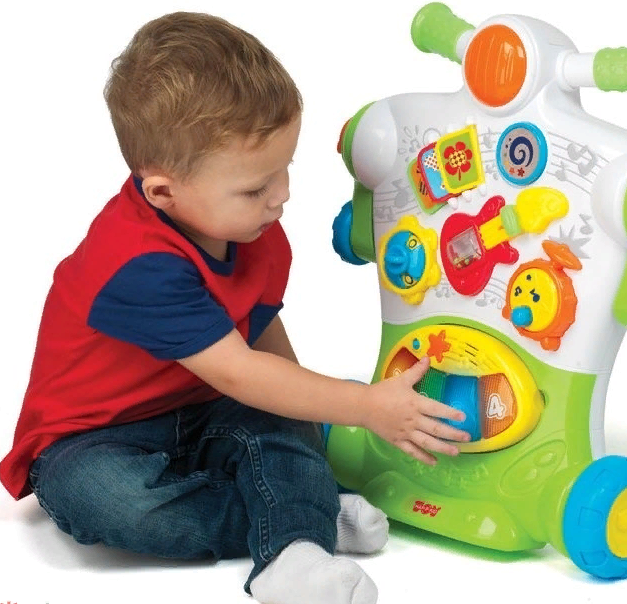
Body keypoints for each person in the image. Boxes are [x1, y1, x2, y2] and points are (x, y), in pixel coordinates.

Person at [0, 11, 471, 604]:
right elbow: (240, 372)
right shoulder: (137, 263)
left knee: (285, 421)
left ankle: (295, 540)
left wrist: (308, 416)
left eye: (285, 169)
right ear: (163, 192)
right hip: (95, 438)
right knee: (111, 502)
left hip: (205, 406)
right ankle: (302, 516)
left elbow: (262, 335)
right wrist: (364, 407)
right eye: (255, 187)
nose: (282, 196)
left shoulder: (250, 229)